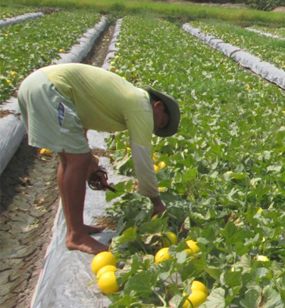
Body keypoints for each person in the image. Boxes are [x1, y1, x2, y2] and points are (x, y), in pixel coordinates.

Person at [17, 63, 180, 255]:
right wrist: (156, 202)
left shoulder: (124, 95)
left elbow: (80, 124)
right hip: (51, 90)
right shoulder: (142, 107)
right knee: (75, 162)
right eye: (160, 123)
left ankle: (75, 227)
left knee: (69, 161)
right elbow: (142, 159)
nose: (155, 129)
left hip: (38, 85)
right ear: (158, 106)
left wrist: (90, 165)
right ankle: (76, 235)